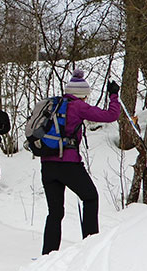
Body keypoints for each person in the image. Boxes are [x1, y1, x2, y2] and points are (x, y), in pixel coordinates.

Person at [40, 70, 121, 255]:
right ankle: (91, 245)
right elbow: (110, 116)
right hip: (68, 164)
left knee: (55, 212)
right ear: (81, 94)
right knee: (90, 197)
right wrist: (113, 95)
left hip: (47, 164)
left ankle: (48, 254)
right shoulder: (78, 106)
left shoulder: (54, 104)